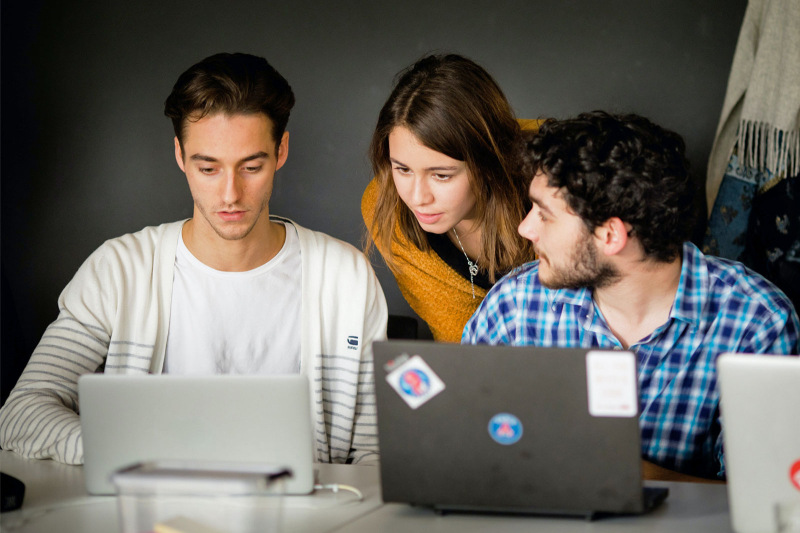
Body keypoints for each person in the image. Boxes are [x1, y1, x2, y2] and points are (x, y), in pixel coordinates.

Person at [0, 53, 388, 466]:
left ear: (281, 151)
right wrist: (123, 453)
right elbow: (22, 412)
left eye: (251, 166)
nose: (230, 194)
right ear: (180, 156)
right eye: (208, 168)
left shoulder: (347, 278)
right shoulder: (120, 270)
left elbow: (375, 455)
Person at [463, 111, 799, 480]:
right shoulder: (514, 306)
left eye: (543, 214)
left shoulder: (758, 322)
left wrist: (626, 473)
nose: (524, 228)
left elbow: (765, 496)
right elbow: (458, 438)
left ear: (610, 236)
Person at [361, 54, 536, 342]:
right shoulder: (387, 205)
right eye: (402, 169)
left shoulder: (557, 179)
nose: (417, 198)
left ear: (489, 161)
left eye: (441, 175)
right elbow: (461, 346)